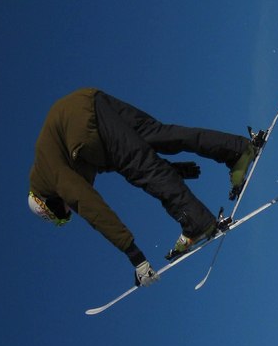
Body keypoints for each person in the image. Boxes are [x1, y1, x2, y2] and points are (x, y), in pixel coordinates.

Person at [28, 88, 257, 286]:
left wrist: (135, 256)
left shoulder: (53, 177)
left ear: (51, 204)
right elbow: (120, 157)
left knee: (142, 169)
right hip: (90, 101)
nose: (69, 211)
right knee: (159, 136)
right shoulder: (58, 156)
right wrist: (173, 169)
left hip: (86, 124)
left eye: (64, 212)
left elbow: (89, 205)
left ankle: (197, 222)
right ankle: (236, 150)